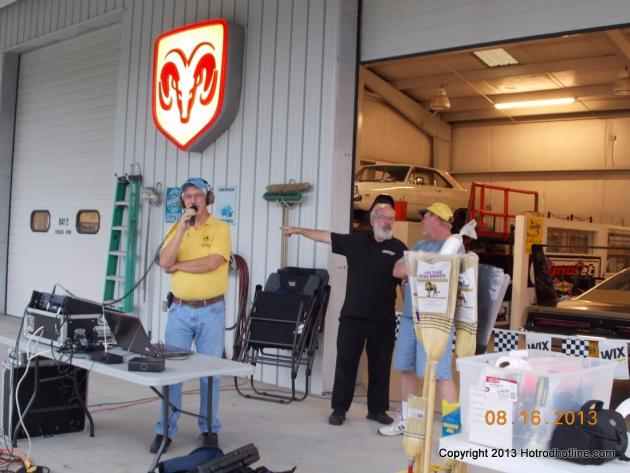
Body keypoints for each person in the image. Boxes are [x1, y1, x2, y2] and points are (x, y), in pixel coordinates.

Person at [282, 203, 407, 426]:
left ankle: (377, 410)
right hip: (352, 317)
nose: (388, 223)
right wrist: (299, 230)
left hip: (384, 319)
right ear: (373, 220)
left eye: (392, 218)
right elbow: (325, 237)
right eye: (384, 218)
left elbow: (405, 281)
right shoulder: (356, 241)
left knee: (380, 366)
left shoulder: (398, 248)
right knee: (346, 364)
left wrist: (410, 310)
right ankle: (339, 409)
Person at [150, 177, 232, 453]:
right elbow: (164, 262)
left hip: (211, 311)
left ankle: (209, 429)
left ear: (207, 199)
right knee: (172, 371)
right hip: (180, 311)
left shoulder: (220, 228)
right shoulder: (177, 228)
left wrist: (179, 266)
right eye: (187, 196)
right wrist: (181, 230)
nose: (192, 200)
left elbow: (212, 262)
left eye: (197, 195)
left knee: (210, 372)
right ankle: (165, 431)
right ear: (182, 201)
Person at [379, 202, 458, 436]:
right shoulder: (420, 245)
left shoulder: (455, 246)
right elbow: (397, 270)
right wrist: (423, 263)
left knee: (440, 374)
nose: (421, 221)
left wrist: (416, 264)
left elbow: (441, 271)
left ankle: (453, 430)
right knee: (406, 367)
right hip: (409, 317)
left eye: (425, 216)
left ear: (436, 218)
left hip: (437, 321)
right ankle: (409, 420)